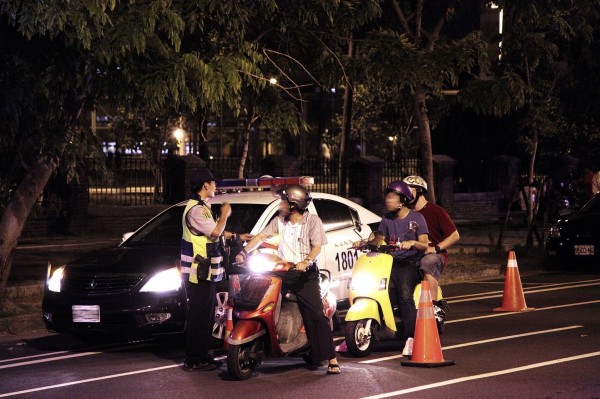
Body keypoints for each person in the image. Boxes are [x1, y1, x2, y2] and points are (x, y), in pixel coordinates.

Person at [236, 184, 341, 375]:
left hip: (304, 274)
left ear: (293, 204)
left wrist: (306, 261)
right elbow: (261, 236)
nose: (280, 204)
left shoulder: (312, 221)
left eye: (283, 201)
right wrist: (244, 252)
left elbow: (316, 247)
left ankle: (331, 358)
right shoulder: (280, 221)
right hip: (282, 270)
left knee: (316, 314)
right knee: (256, 295)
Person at [180, 168, 252, 371]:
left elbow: (215, 234)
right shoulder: (196, 209)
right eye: (214, 183)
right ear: (205, 185)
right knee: (199, 317)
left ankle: (202, 355)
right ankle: (195, 359)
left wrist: (237, 236)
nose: (216, 187)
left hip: (206, 271)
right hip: (198, 272)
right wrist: (225, 214)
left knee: (205, 316)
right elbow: (215, 230)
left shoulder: (201, 207)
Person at [372, 180, 429, 357]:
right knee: (380, 289)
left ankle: (411, 337)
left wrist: (413, 242)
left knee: (405, 294)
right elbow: (379, 238)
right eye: (387, 197)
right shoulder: (387, 219)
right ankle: (385, 327)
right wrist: (366, 243)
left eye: (392, 197)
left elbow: (425, 244)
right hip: (390, 261)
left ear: (403, 200)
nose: (388, 201)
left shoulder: (416, 218)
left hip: (410, 262)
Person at [403, 175, 460, 333]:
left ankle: (435, 312)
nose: (405, 195)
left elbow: (455, 235)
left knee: (427, 262)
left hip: (435, 255)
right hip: (412, 256)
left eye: (409, 191)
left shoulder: (436, 212)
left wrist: (436, 248)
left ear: (419, 192)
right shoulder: (405, 213)